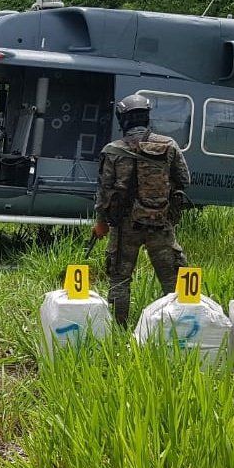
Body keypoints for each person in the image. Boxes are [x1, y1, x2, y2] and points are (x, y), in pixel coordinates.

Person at [92, 93, 191, 326]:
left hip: (125, 226)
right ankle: (178, 326)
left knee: (119, 279)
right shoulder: (168, 145)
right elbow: (184, 179)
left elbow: (104, 192)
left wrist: (101, 222)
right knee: (172, 281)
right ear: (146, 118)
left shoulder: (112, 150)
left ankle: (118, 329)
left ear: (122, 119)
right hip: (160, 223)